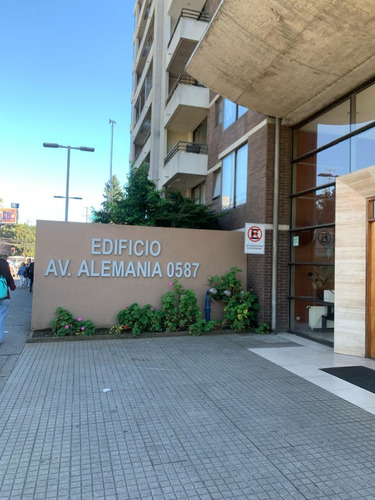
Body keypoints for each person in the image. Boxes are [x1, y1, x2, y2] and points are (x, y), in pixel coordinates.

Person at [0, 258, 16, 344]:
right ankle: (0, 338)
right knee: (1, 319)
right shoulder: (7, 275)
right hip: (5, 298)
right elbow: (13, 288)